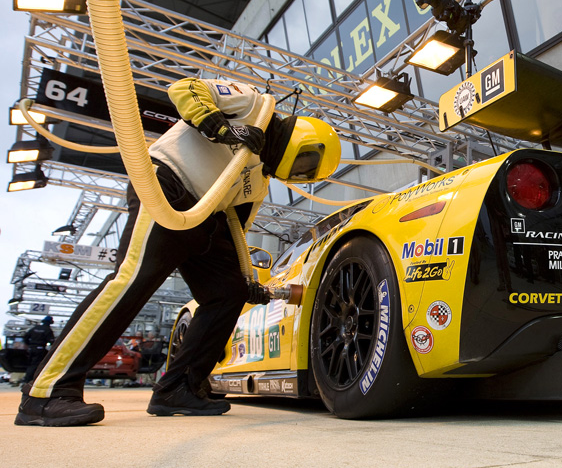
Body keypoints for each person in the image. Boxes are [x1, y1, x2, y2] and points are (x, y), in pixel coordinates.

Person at [15, 77, 342, 427]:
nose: (295, 174)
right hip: (167, 186)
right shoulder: (254, 105)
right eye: (304, 165)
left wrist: (244, 277)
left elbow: (236, 227)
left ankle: (179, 389)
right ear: (304, 141)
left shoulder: (258, 179)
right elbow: (185, 89)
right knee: (132, 280)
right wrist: (219, 126)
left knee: (227, 292)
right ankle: (47, 390)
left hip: (206, 216)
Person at [22, 315, 54, 385]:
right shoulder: (47, 330)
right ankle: (31, 381)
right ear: (50, 322)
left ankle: (26, 380)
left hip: (31, 349)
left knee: (30, 365)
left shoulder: (35, 328)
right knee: (37, 365)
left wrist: (29, 344)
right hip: (40, 350)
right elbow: (52, 341)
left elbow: (25, 337)